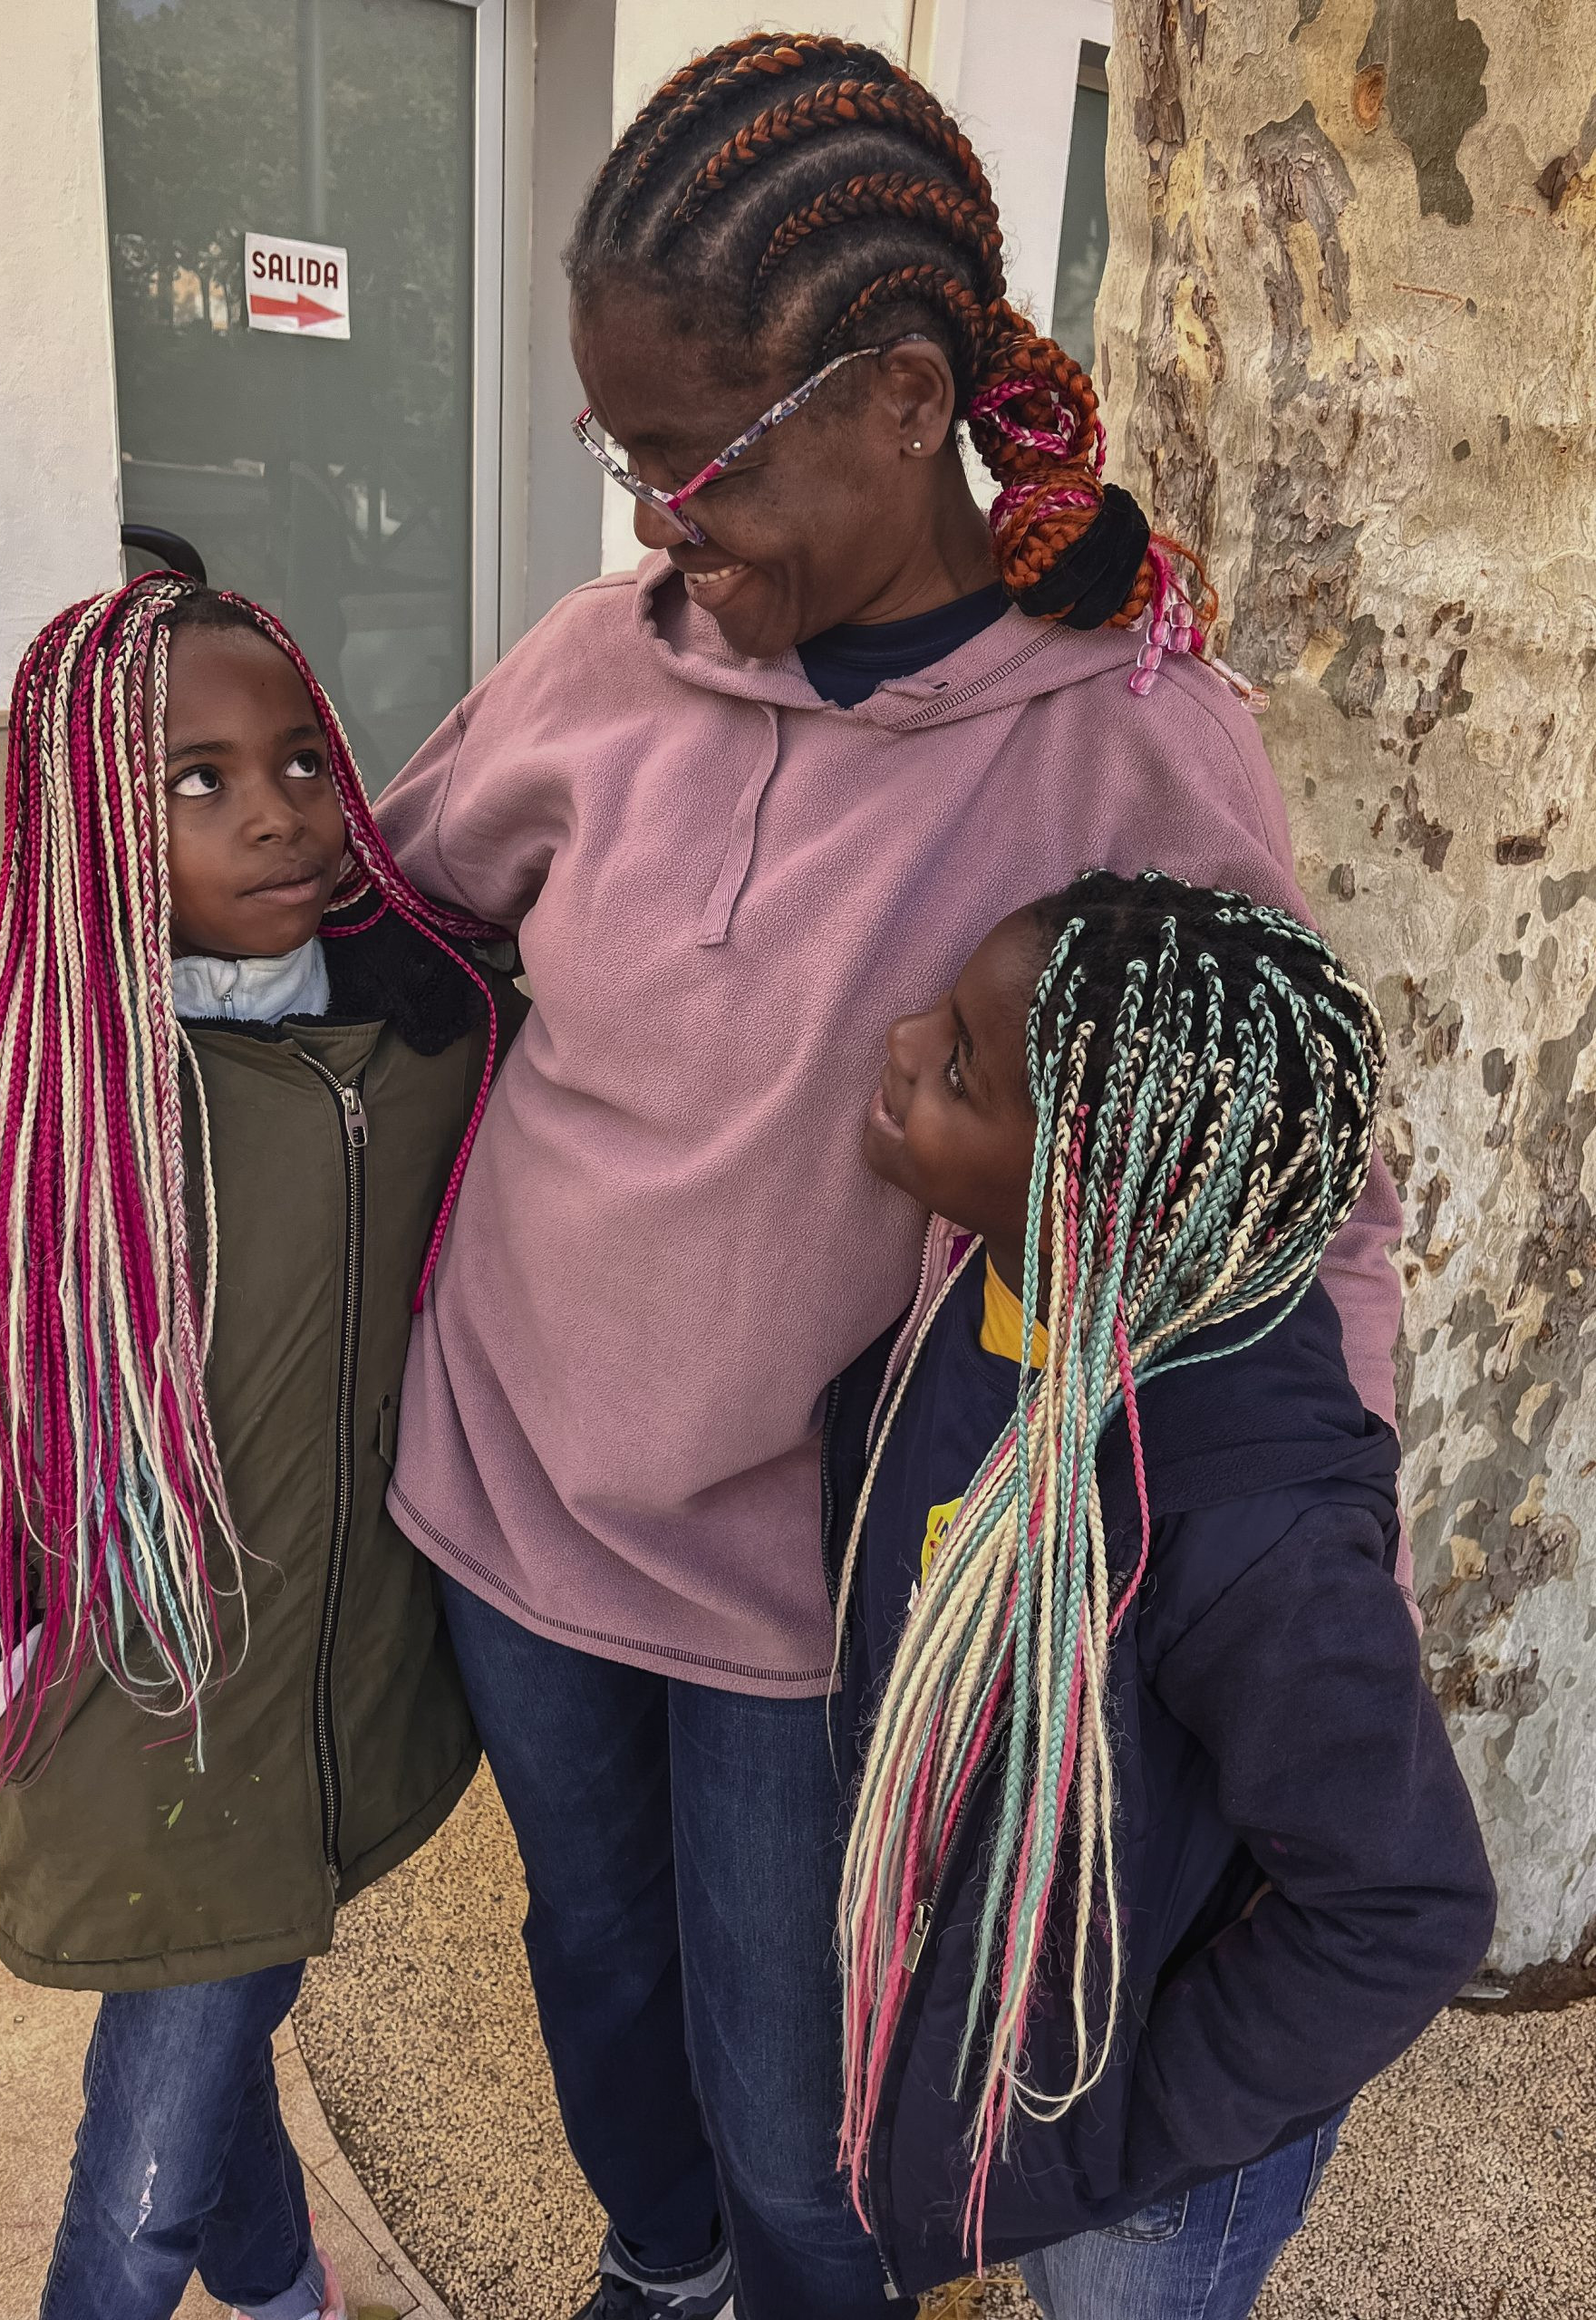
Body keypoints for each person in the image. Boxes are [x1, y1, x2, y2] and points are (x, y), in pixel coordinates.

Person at [374, 33, 1407, 2320]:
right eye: (618, 449)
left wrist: (1311, 1532)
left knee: (807, 2108)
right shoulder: (588, 669)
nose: (652, 513)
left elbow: (1299, 1161)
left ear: (901, 395)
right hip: (517, 1499)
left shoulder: (1131, 732)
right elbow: (401, 914)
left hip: (819, 1606)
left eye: (690, 456)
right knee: (600, 1979)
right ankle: (657, 2276)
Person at [0, 574, 517, 2320]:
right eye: (196, 778)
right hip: (128, 1722)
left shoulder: (425, 1030)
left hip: (340, 1705)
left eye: (302, 757)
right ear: (85, 807)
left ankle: (287, 2292)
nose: (284, 811)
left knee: (223, 2051)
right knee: (142, 2184)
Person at [830, 873, 1494, 2317]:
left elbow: (1409, 1908)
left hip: (1153, 2180)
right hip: (1038, 2035)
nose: (894, 1044)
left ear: (1095, 1193)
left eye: (956, 1066)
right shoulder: (1002, 1292)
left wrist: (1129, 2126)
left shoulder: (1252, 1529)